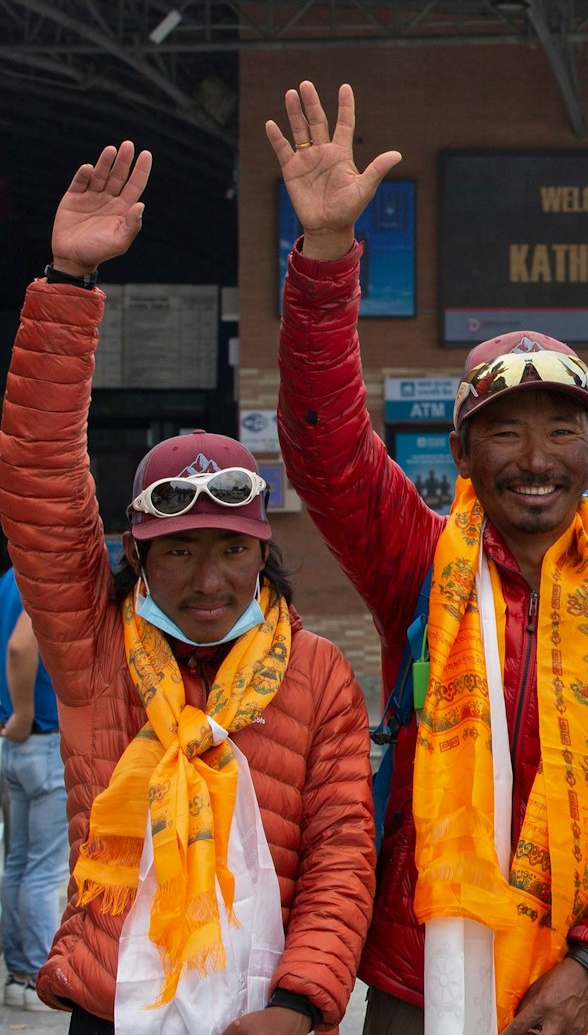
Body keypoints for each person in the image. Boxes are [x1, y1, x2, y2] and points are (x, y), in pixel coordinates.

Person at [268, 82, 588, 1035]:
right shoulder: (422, 564)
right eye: (503, 432)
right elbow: (327, 450)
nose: (535, 458)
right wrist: (322, 259)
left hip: (587, 980)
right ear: (463, 457)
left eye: (561, 430)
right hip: (424, 966)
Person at [0, 142, 375, 1035]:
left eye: (229, 550)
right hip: (113, 1010)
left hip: (265, 1020)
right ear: (138, 555)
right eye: (177, 554)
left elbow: (341, 854)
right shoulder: (97, 649)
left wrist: (298, 1001)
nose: (208, 581)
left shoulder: (317, 675)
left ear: (261, 551)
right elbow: (43, 479)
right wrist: (69, 281)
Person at [0, 567, 62, 1011]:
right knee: (44, 872)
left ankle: (18, 976)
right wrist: (23, 714)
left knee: (17, 865)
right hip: (40, 737)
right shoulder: (41, 578)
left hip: (17, 745)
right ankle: (40, 978)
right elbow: (21, 646)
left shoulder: (8, 579)